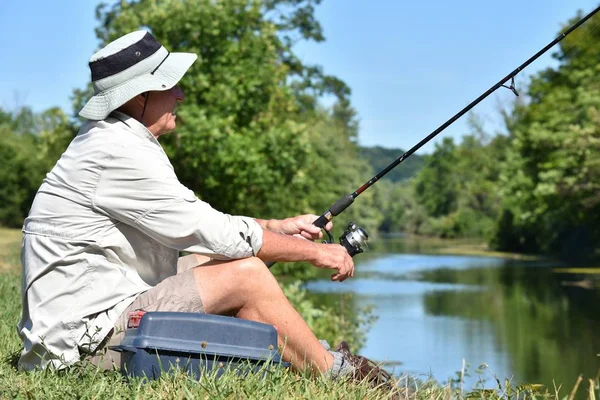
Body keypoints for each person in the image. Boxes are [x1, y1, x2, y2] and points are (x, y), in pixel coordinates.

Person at [18, 30, 392, 386]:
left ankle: (308, 355)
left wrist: (276, 227)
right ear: (138, 97)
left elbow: (199, 223)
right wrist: (317, 253)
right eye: (169, 85)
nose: (180, 94)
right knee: (246, 273)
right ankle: (334, 374)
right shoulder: (118, 152)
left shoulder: (112, 140)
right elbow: (218, 234)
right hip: (81, 351)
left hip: (84, 327)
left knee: (211, 259)